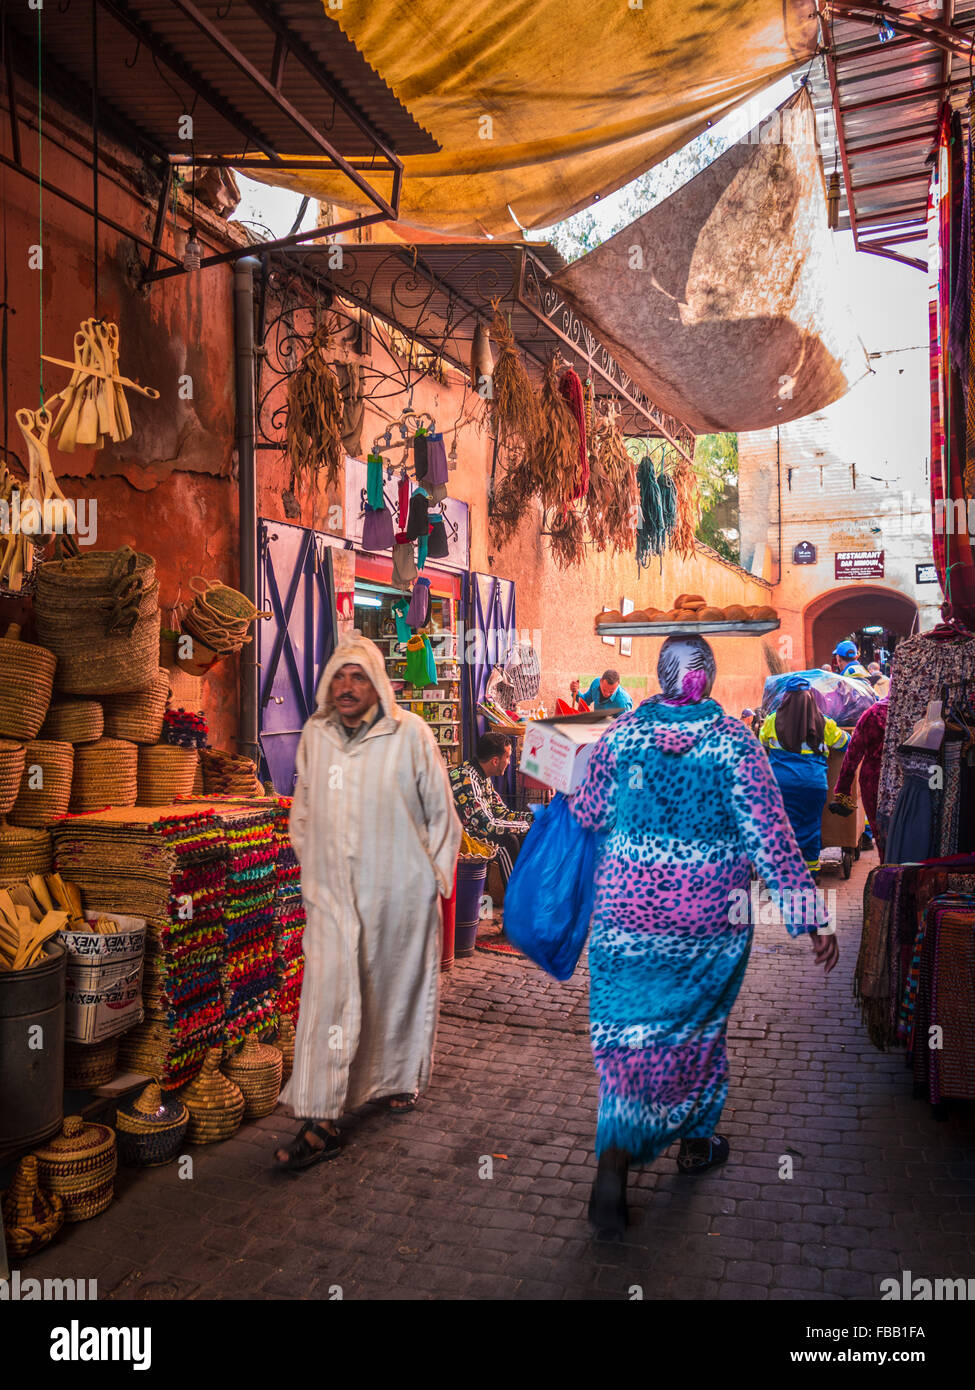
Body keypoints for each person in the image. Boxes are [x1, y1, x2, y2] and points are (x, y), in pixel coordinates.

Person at [570, 636, 837, 1240]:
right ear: (708, 680)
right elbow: (771, 837)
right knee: (696, 1028)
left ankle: (639, 1151)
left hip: (624, 921)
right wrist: (810, 916)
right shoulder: (734, 744)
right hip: (705, 925)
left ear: (661, 676)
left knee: (627, 1039)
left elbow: (586, 813)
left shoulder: (620, 738)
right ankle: (675, 1143)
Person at [274, 632, 461, 1170]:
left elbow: (440, 814)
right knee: (327, 999)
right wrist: (312, 869)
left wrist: (433, 880)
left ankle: (396, 1078)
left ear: (378, 684)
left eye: (358, 676)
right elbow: (303, 808)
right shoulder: (316, 734)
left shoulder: (410, 736)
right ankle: (319, 1118)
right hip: (332, 895)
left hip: (397, 894)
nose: (347, 686)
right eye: (339, 676)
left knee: (390, 992)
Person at [759, 675, 850, 876]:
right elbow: (845, 743)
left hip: (781, 786)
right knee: (811, 824)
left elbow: (762, 744)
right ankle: (811, 872)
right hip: (813, 785)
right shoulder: (824, 723)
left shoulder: (772, 720)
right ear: (811, 698)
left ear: (786, 698)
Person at [449, 731, 532, 884]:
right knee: (507, 842)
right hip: (462, 838)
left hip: (479, 830)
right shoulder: (467, 780)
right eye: (507, 757)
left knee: (524, 836)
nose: (509, 762)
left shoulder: (482, 777)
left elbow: (501, 813)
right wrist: (525, 826)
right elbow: (487, 826)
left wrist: (532, 818)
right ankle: (514, 899)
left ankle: (526, 891)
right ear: (495, 761)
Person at [830, 694, 890, 861]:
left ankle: (887, 871)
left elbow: (852, 754)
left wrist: (842, 789)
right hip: (910, 782)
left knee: (881, 836)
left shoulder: (872, 715)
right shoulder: (918, 713)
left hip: (874, 781)